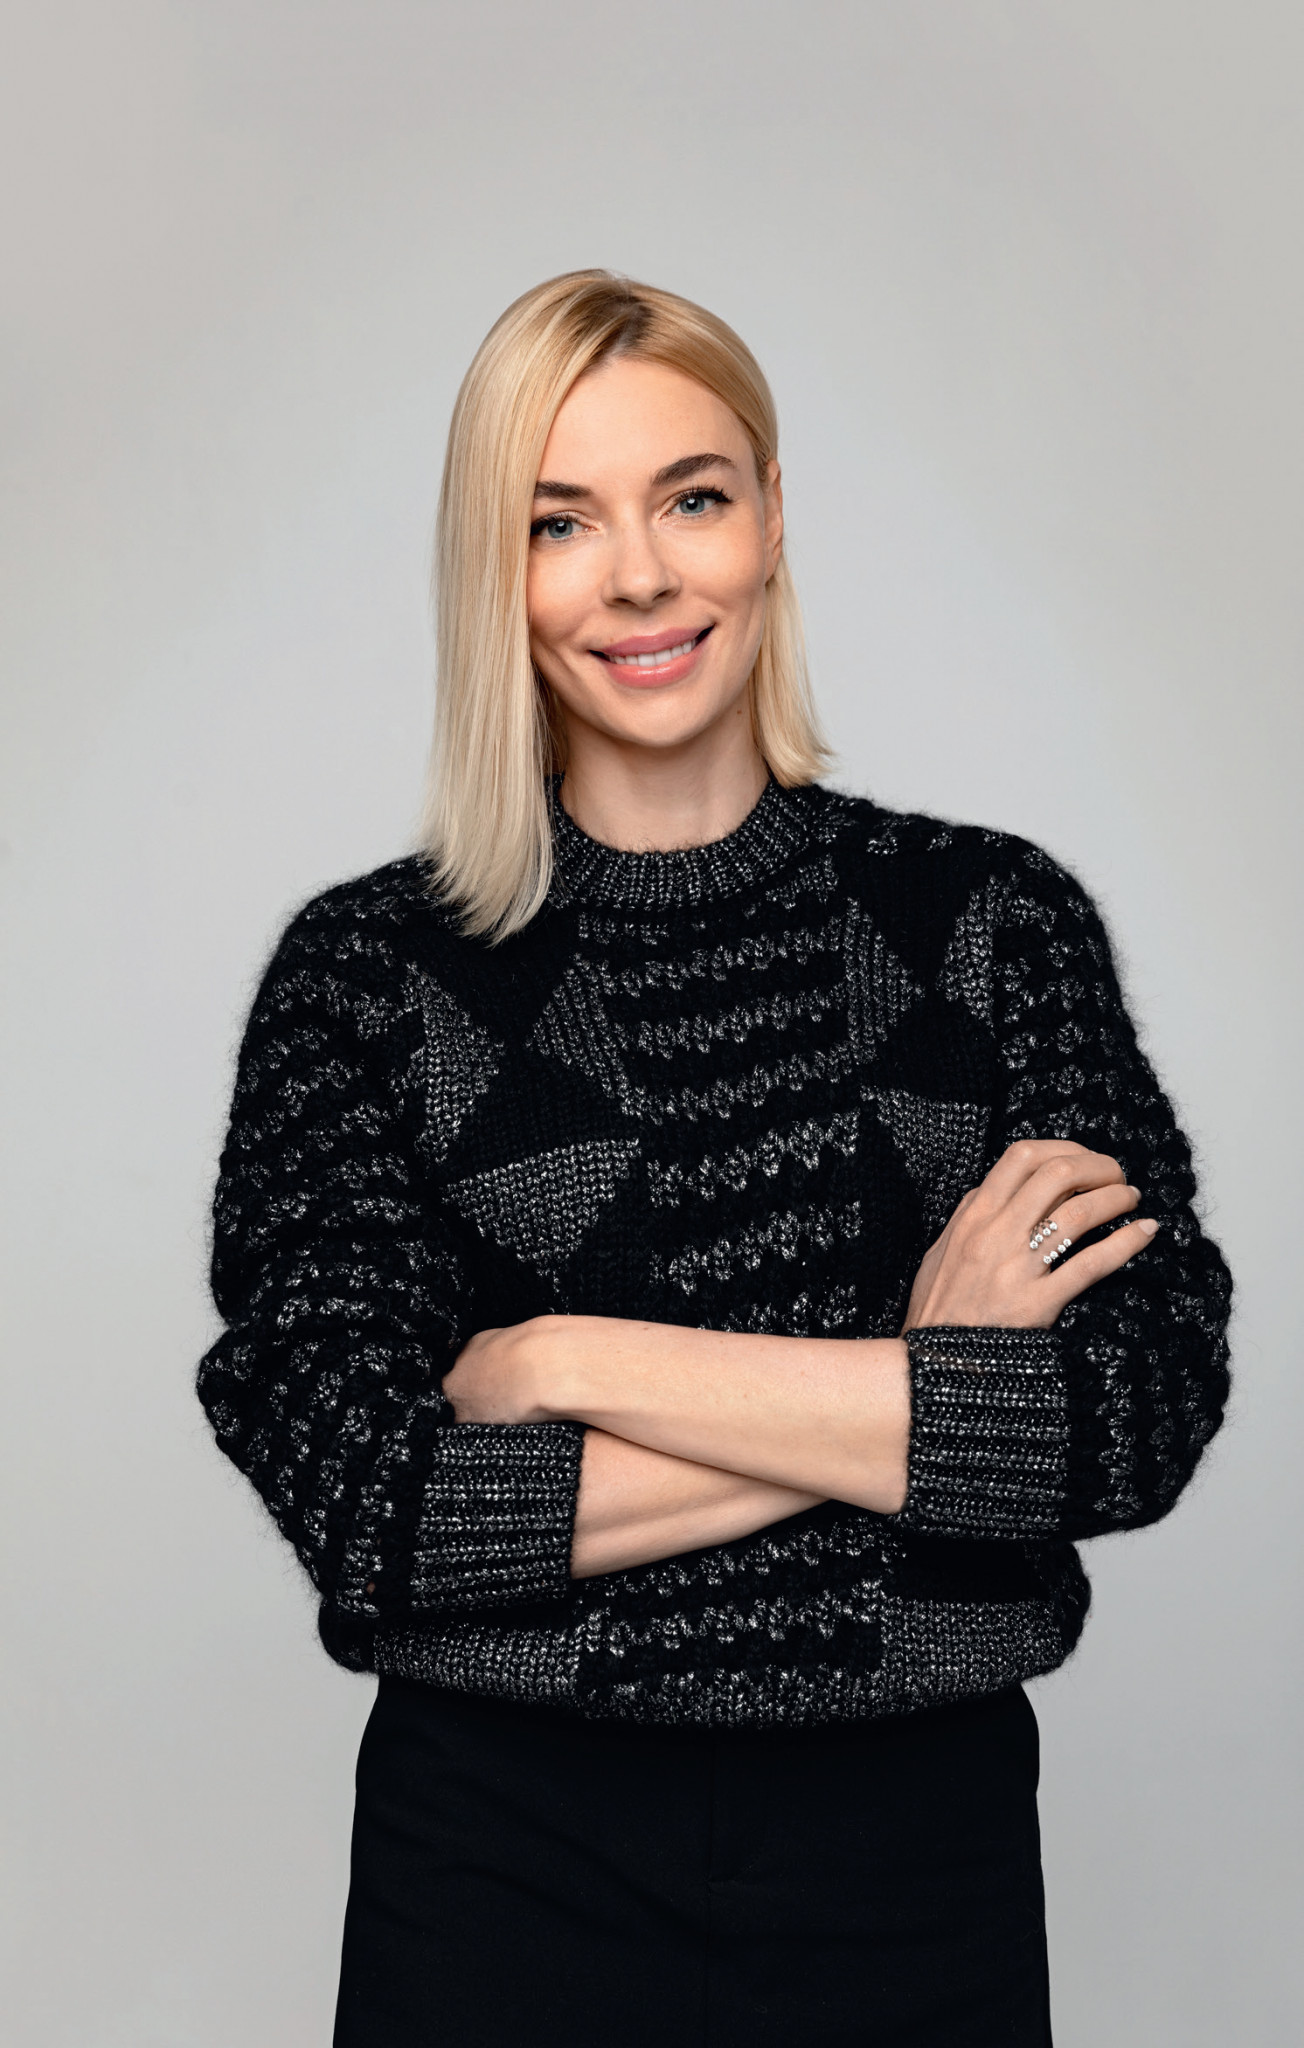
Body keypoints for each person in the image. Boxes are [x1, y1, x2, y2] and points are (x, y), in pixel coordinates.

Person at [197, 271, 1232, 2047]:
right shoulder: (368, 978)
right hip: (500, 1861)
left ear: (771, 519)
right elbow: (379, 1509)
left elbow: (1131, 1413)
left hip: (921, 1864)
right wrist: (925, 1389)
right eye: (559, 522)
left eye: (691, 496)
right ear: (493, 572)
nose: (641, 577)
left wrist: (563, 1362)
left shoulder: (989, 925)